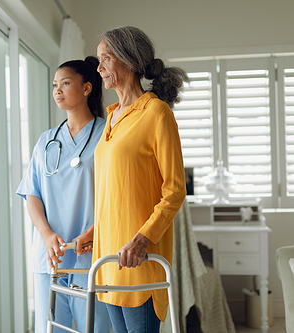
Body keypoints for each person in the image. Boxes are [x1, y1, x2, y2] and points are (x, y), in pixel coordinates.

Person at [92, 26, 188, 333]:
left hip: (138, 259)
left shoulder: (156, 113)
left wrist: (143, 238)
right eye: (99, 59)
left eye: (106, 58)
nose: (99, 67)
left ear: (130, 60)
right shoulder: (111, 116)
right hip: (108, 258)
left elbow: (174, 190)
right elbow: (115, 192)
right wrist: (93, 232)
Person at [17, 56, 112, 333]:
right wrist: (46, 234)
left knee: (94, 328)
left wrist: (94, 231)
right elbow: (31, 193)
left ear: (86, 88)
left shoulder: (107, 134)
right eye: (55, 84)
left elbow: (116, 195)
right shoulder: (46, 141)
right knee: (51, 329)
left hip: (91, 253)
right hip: (51, 256)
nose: (57, 90)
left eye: (66, 83)